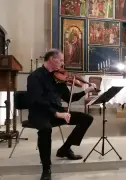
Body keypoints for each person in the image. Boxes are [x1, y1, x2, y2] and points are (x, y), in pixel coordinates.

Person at [27, 49, 96, 180]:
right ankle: (46, 169)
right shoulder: (35, 77)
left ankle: (65, 149)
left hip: (57, 113)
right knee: (45, 129)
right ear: (52, 59)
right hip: (39, 113)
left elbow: (71, 97)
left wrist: (86, 90)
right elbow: (36, 99)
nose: (63, 64)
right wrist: (57, 113)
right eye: (61, 60)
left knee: (86, 118)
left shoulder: (57, 79)